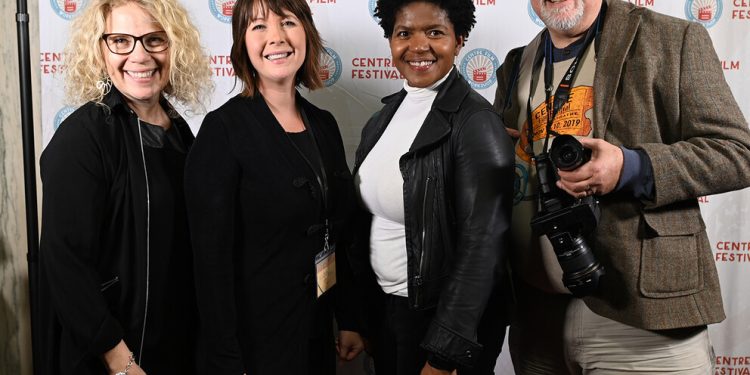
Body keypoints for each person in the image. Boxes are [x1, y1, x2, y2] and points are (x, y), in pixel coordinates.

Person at [493, 0, 750, 374]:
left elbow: (737, 153)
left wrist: (632, 167)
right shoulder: (516, 63)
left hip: (640, 316)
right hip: (536, 316)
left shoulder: (671, 38)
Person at [183, 0, 364, 373]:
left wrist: (349, 316)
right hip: (255, 343)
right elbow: (209, 262)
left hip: (315, 330)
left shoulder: (324, 125)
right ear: (243, 45)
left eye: (287, 22)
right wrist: (226, 358)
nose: (276, 38)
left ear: (306, 34)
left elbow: (340, 232)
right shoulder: (223, 131)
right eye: (259, 27)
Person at [38, 0, 212, 374]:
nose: (140, 55)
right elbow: (66, 266)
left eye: (154, 40)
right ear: (99, 50)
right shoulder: (84, 137)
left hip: (175, 347)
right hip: (114, 358)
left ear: (174, 46)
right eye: (120, 40)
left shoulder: (181, 131)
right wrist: (119, 360)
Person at [349, 0, 515, 374]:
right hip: (390, 313)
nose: (418, 46)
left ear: (459, 41)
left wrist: (445, 352)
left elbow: (483, 246)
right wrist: (362, 317)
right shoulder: (382, 119)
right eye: (404, 33)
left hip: (439, 323)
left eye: (435, 32)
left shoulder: (476, 122)